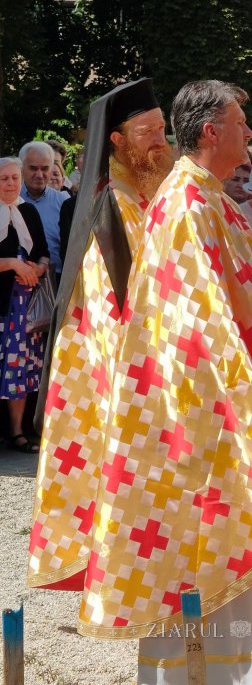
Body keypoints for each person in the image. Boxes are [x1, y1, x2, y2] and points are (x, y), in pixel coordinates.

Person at [34, 79, 252, 685]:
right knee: (217, 544)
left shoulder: (204, 196)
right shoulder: (187, 203)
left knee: (233, 549)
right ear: (212, 131)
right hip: (208, 415)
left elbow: (222, 296)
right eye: (241, 123)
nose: (250, 134)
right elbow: (194, 324)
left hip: (224, 398)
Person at [28, 78, 175, 590]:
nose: (160, 139)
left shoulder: (151, 192)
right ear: (117, 139)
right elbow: (103, 297)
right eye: (147, 130)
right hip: (119, 361)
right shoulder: (110, 204)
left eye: (161, 128)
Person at [0, 158, 49, 453]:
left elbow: (43, 253)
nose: (10, 183)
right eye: (4, 178)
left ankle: (18, 432)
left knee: (18, 368)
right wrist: (12, 264)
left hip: (24, 305)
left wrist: (37, 269)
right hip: (2, 303)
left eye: (14, 178)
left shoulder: (28, 211)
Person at [19, 141, 69, 281]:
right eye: (33, 168)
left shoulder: (64, 202)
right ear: (22, 168)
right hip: (16, 283)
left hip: (56, 281)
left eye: (45, 168)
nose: (40, 175)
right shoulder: (10, 201)